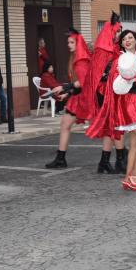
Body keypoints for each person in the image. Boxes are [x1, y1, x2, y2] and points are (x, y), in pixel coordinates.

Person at [87, 30, 136, 191]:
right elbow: (117, 85)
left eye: (130, 38)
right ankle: (135, 175)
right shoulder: (122, 59)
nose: (127, 40)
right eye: (124, 39)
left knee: (135, 144)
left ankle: (127, 178)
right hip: (131, 103)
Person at [82, 12, 127, 174]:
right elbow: (100, 75)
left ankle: (104, 162)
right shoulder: (104, 50)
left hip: (109, 91)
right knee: (116, 125)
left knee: (112, 127)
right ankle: (119, 161)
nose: (117, 35)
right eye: (116, 32)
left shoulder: (108, 48)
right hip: (105, 92)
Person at [46, 29, 93, 169]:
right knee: (65, 125)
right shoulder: (75, 58)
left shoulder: (81, 60)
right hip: (79, 98)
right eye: (68, 42)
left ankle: (122, 153)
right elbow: (78, 84)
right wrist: (67, 94)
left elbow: (84, 82)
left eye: (72, 42)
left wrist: (64, 88)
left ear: (79, 44)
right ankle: (60, 158)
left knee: (103, 128)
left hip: (87, 99)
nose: (69, 44)